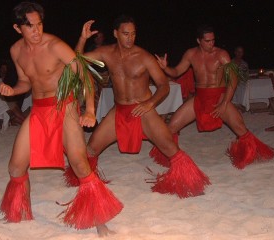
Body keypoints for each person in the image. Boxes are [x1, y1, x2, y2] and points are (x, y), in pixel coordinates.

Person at [0, 2, 122, 237]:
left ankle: (99, 221)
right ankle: (21, 211)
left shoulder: (54, 45)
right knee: (15, 167)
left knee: (79, 164)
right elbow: (25, 81)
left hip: (64, 107)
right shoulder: (16, 50)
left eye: (40, 24)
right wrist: (12, 91)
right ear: (17, 28)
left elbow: (84, 74)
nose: (36, 31)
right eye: (30, 26)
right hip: (39, 110)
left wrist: (90, 110)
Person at [64, 15, 210, 199]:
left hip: (144, 111)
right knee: (91, 148)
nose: (130, 38)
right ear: (116, 33)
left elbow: (163, 85)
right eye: (125, 34)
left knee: (170, 148)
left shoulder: (144, 57)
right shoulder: (106, 52)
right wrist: (83, 39)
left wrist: (150, 103)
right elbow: (77, 61)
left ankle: (191, 183)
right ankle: (84, 182)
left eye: (133, 34)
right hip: (120, 111)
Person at [153, 25, 274, 169]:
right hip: (200, 98)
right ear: (199, 41)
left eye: (213, 40)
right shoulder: (191, 54)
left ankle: (250, 155)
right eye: (207, 41)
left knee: (240, 128)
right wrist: (165, 68)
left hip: (219, 97)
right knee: (171, 127)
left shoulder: (221, 54)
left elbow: (233, 79)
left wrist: (225, 102)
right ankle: (170, 158)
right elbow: (176, 71)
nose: (211, 43)